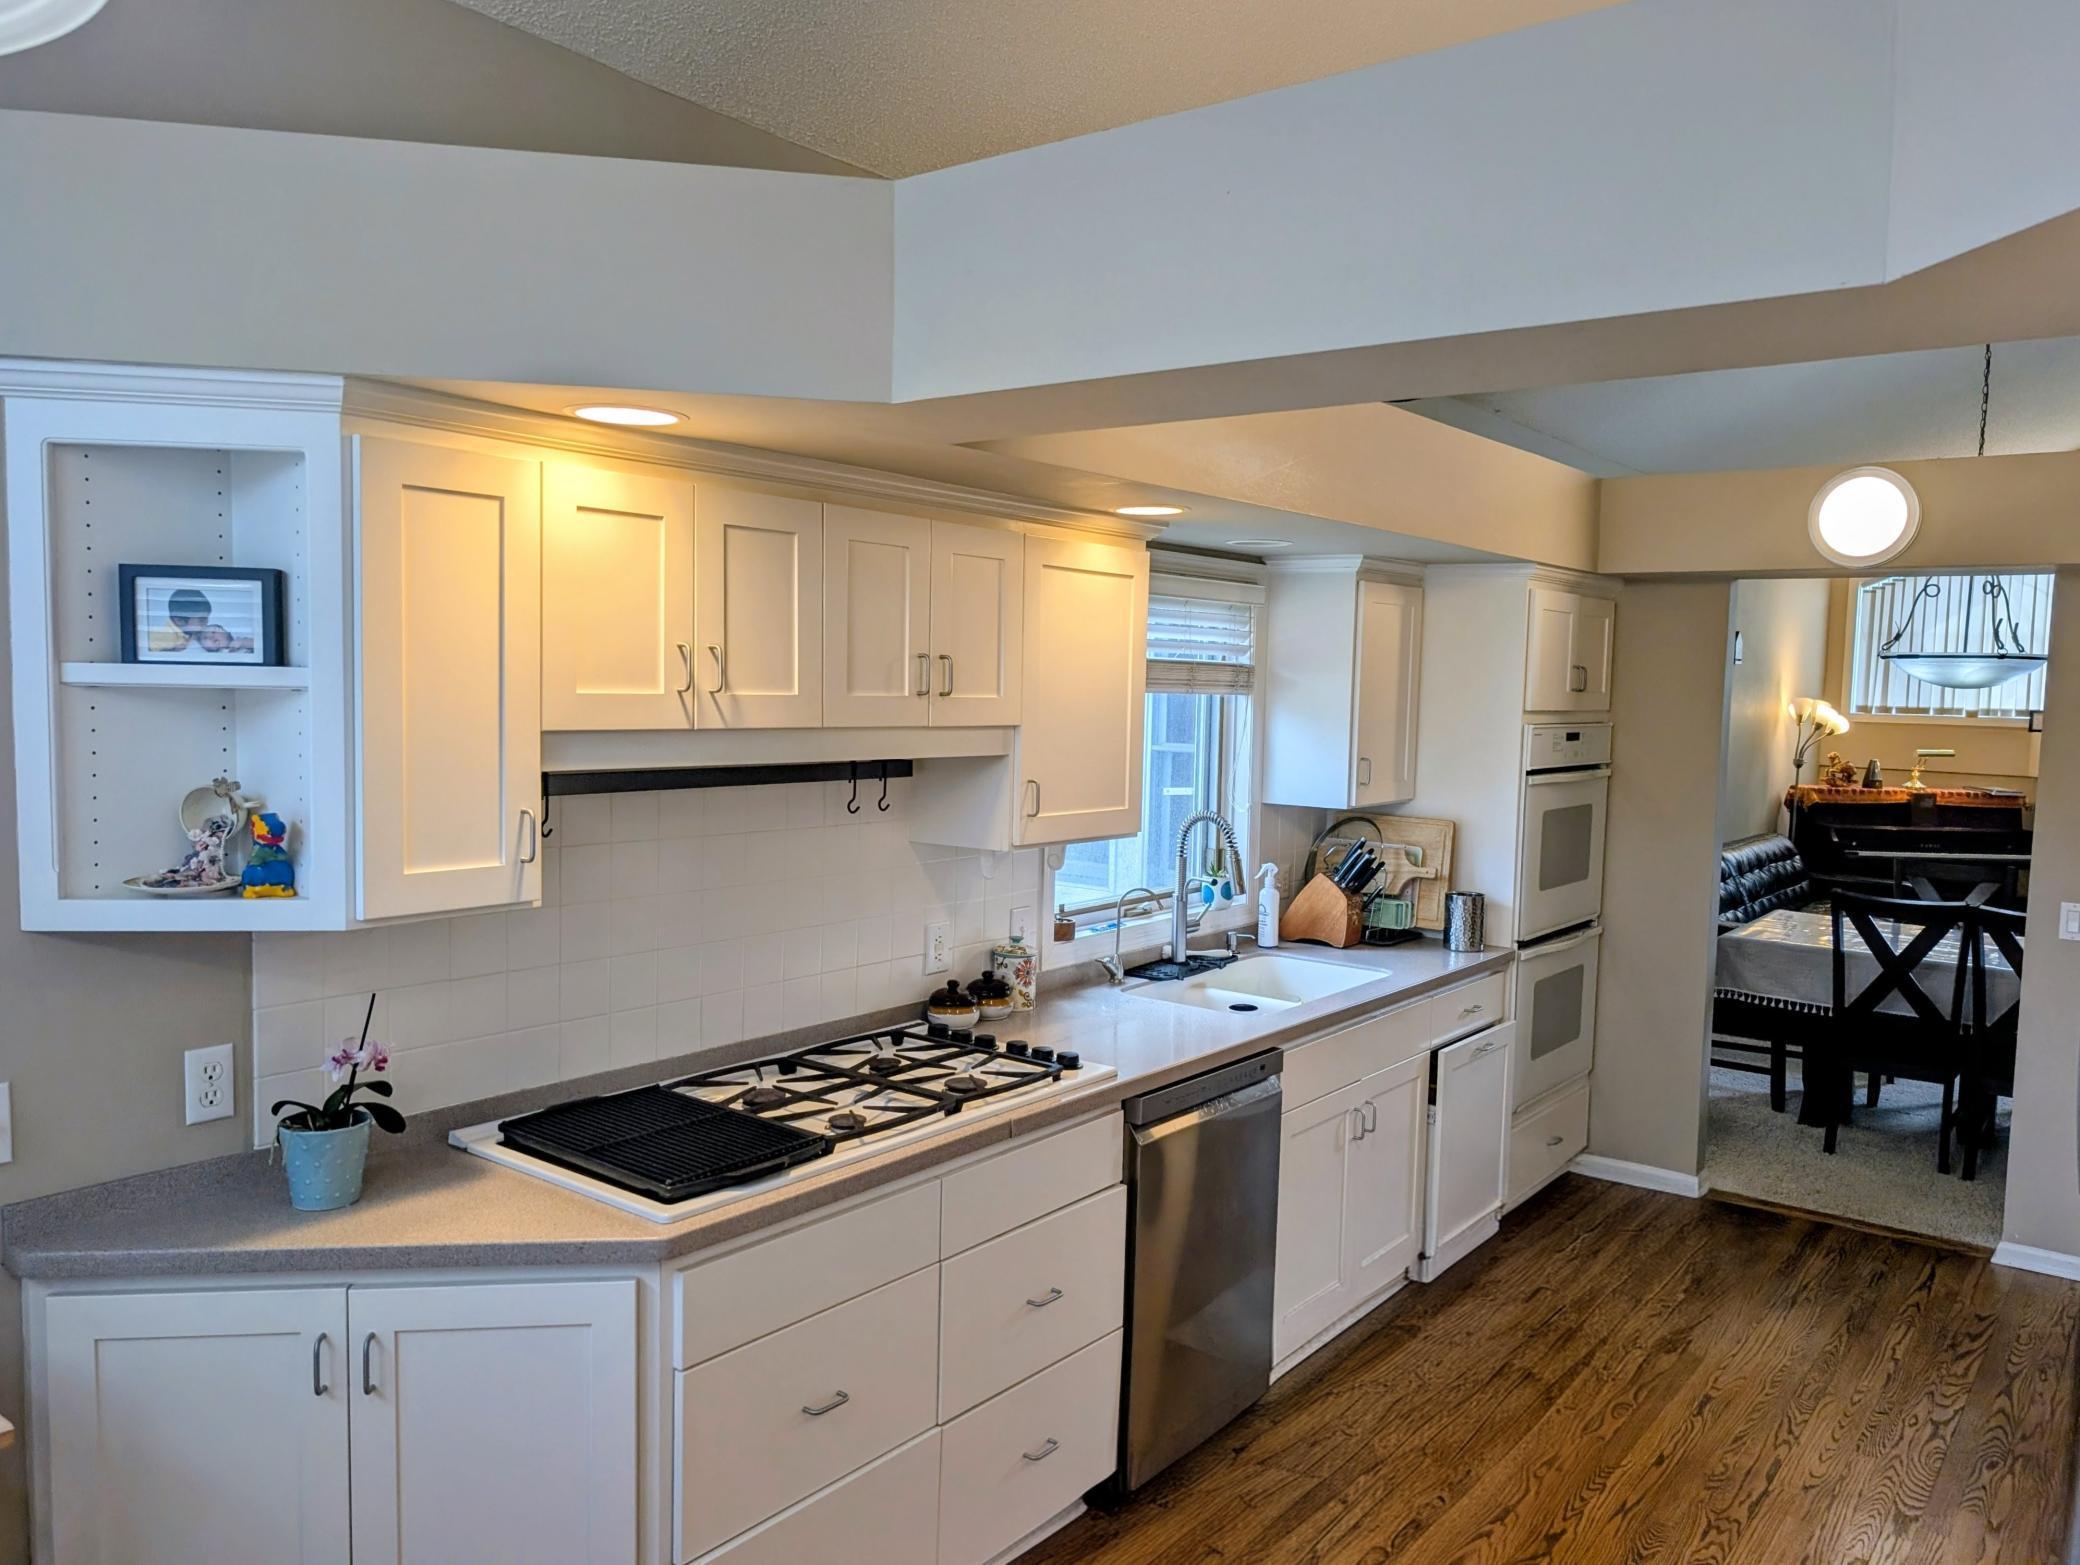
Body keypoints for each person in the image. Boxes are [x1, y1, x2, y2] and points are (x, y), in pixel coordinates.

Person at [148, 586, 214, 652]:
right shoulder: (164, 636)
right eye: (201, 620)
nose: (207, 622)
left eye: (207, 618)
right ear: (179, 621)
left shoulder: (190, 631)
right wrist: (172, 651)